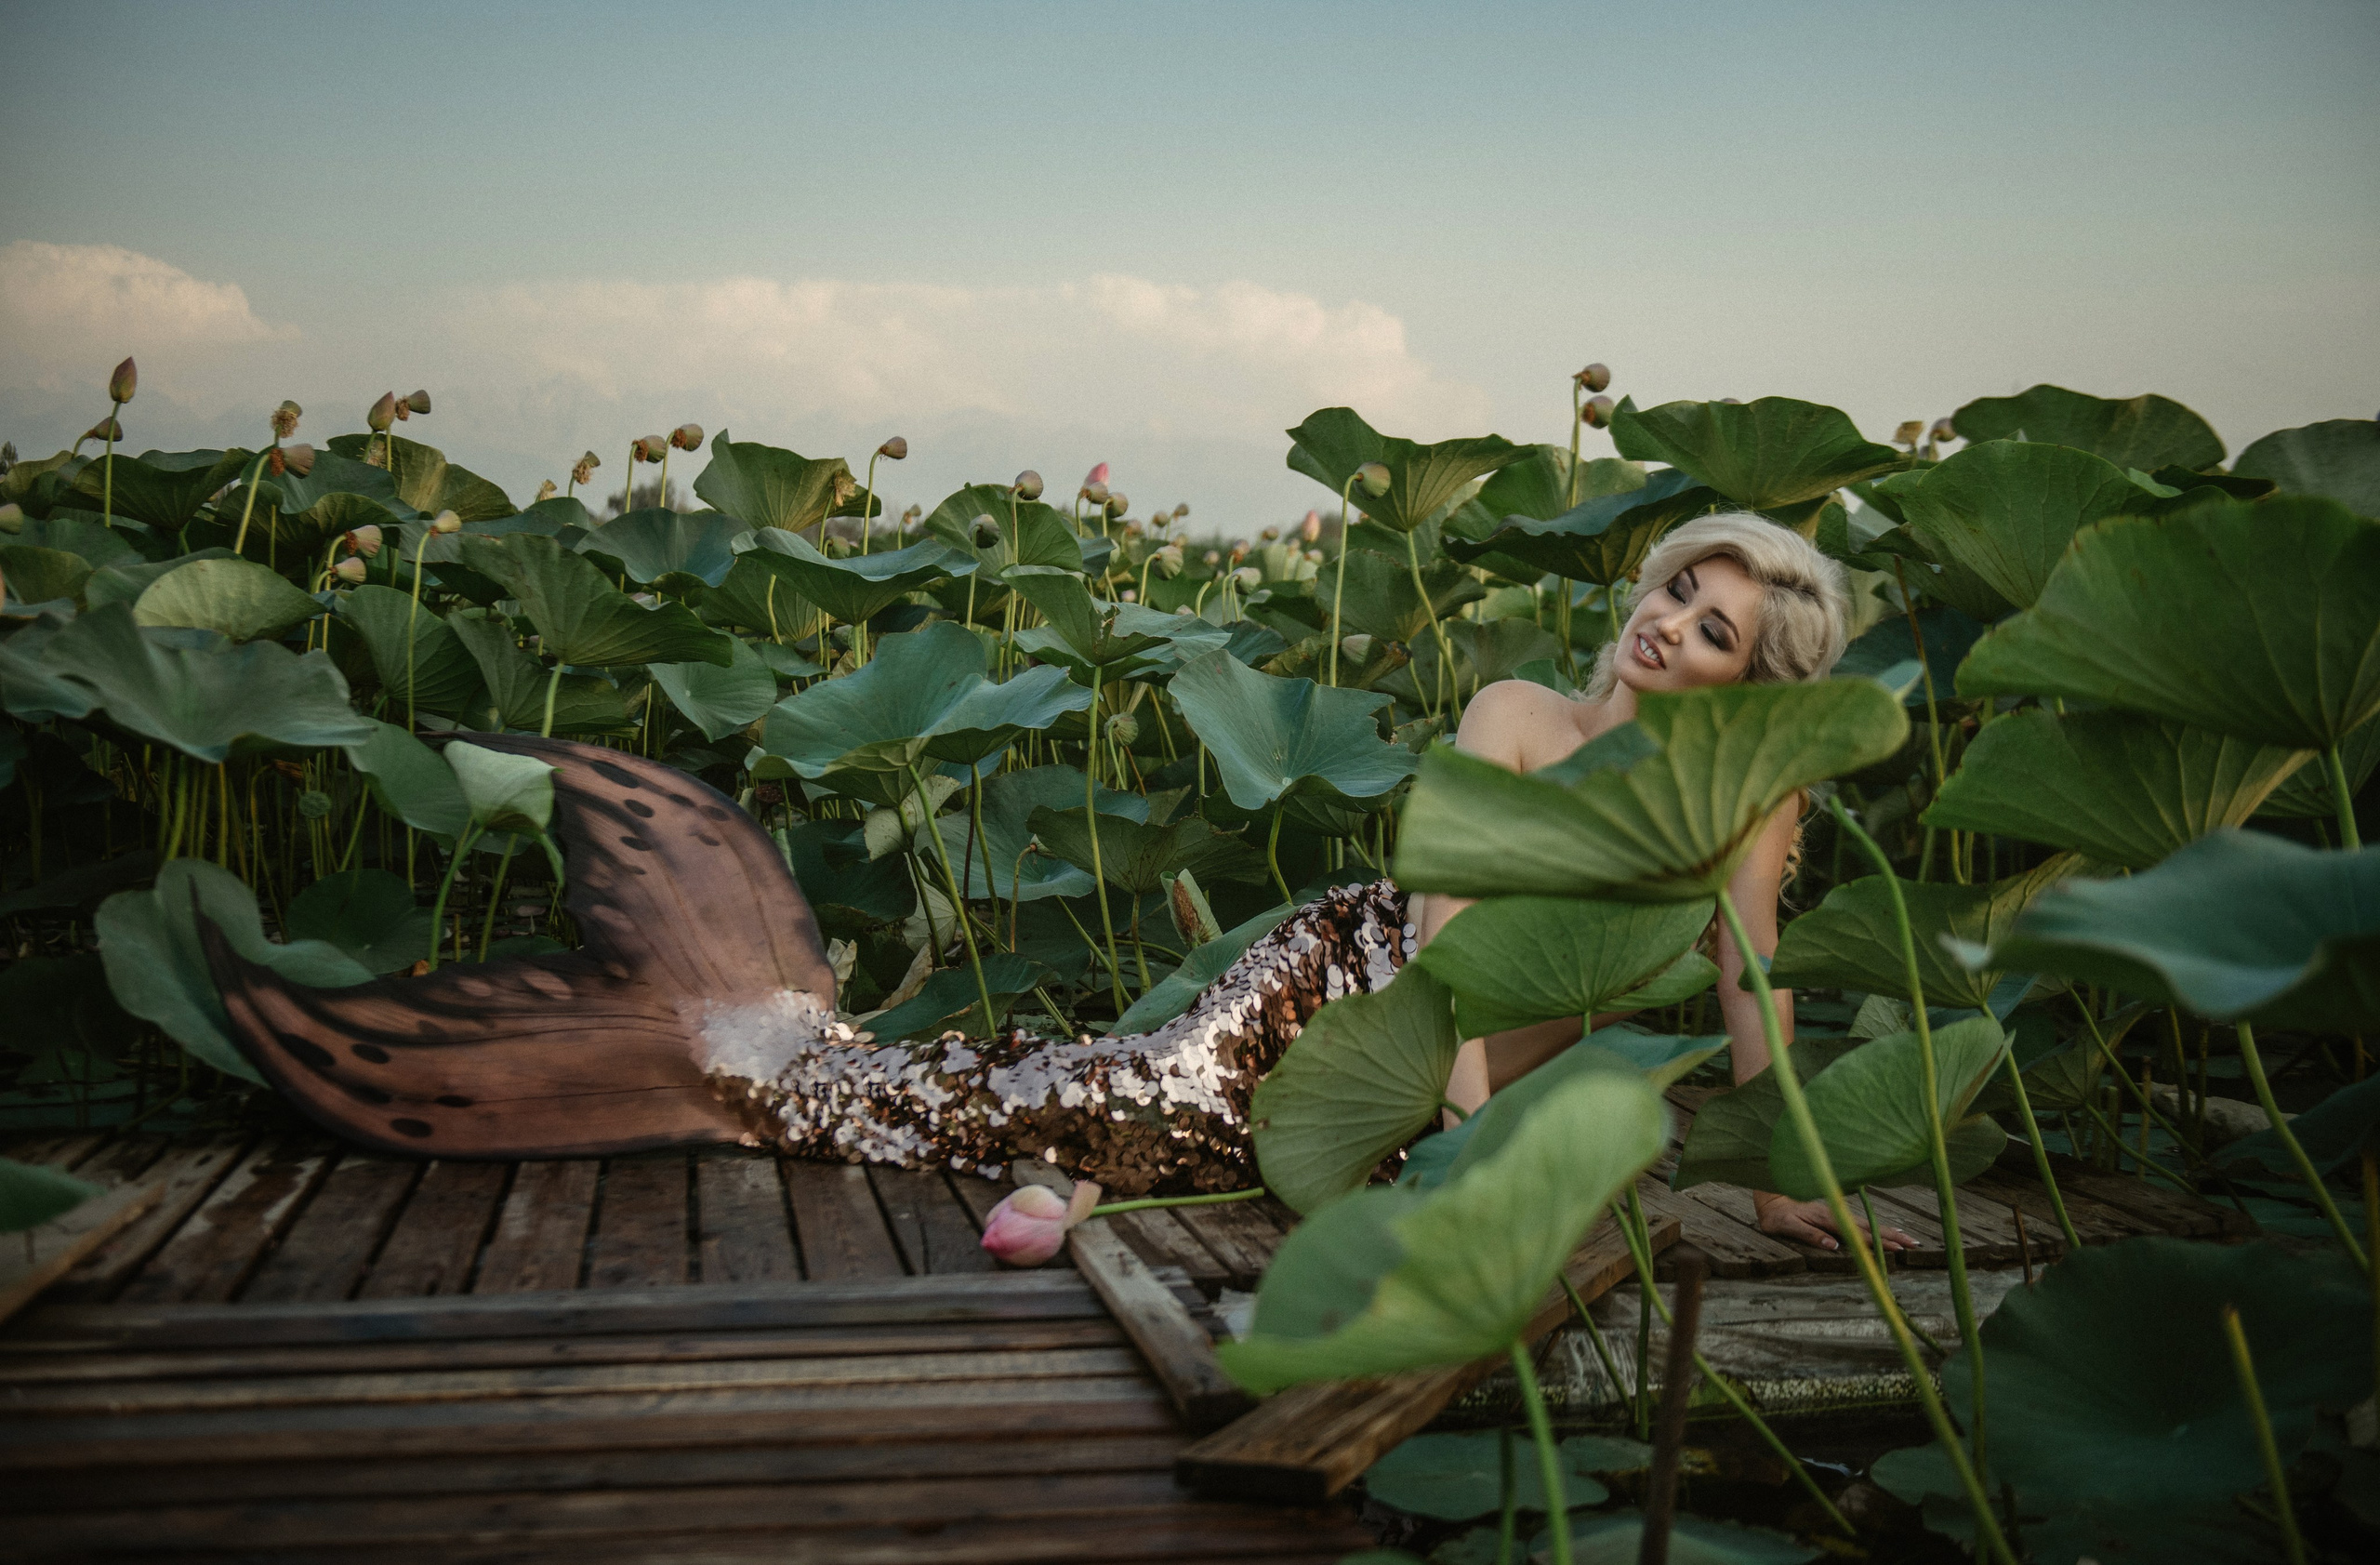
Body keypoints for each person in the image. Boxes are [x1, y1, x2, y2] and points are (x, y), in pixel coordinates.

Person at [1410, 512, 1913, 1253]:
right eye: (1677, 591)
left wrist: (1777, 1185)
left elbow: (1752, 979)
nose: (1671, 625)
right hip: (1362, 1003)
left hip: (1457, 1112)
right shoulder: (1513, 713)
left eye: (1714, 633)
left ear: (1747, 684)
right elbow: (1443, 941)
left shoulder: (1746, 802)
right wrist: (1469, 1152)